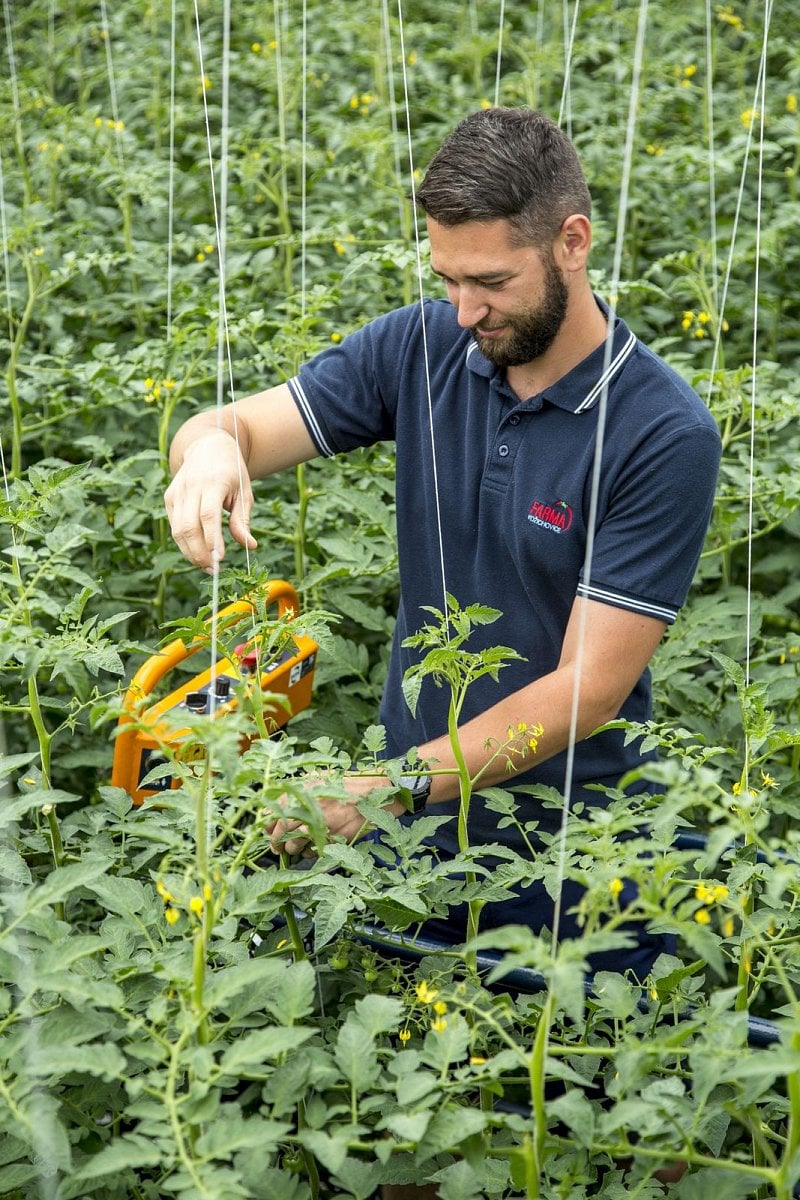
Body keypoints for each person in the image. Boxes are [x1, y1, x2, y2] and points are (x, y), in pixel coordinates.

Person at [165, 107, 721, 978]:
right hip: (403, 834)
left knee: (551, 1086)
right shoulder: (418, 348)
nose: (464, 311)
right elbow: (238, 423)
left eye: (491, 281)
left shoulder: (661, 432)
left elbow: (587, 690)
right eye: (447, 277)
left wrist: (381, 789)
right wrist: (206, 453)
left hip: (569, 855)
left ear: (571, 242)